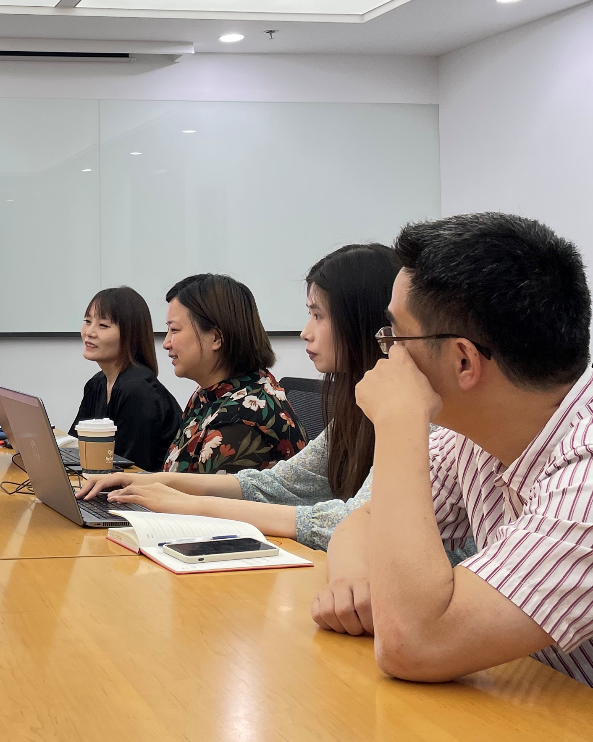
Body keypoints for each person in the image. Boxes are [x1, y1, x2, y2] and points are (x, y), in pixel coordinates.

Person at [312, 213, 593, 688]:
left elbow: (416, 644)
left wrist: (399, 418)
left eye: (395, 336)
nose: (388, 354)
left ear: (463, 360)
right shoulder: (473, 433)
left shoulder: (586, 477)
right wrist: (353, 581)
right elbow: (363, 521)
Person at [79, 245, 406, 550]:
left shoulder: (247, 412)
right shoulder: (356, 407)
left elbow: (353, 521)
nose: (305, 332)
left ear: (360, 321)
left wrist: (186, 502)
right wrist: (148, 482)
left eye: (317, 315)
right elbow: (277, 484)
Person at [158, 273, 306, 473]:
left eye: (174, 330)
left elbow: (201, 493)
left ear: (216, 338)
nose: (166, 343)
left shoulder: (243, 418)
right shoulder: (209, 394)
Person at [68, 287, 182, 472]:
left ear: (130, 334)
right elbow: (75, 446)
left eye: (103, 325)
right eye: (87, 321)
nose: (89, 332)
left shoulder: (137, 391)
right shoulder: (96, 384)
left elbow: (131, 470)